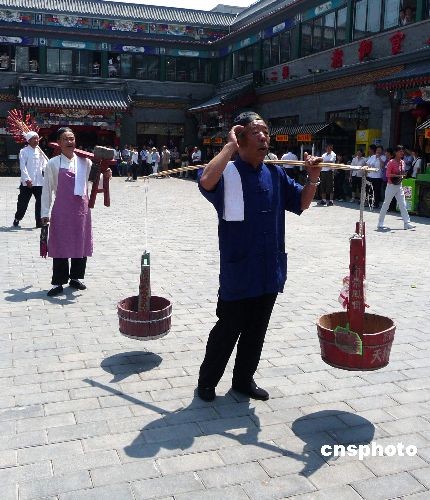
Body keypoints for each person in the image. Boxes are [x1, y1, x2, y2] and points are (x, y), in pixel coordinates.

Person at [196, 111, 322, 402]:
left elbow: (301, 203)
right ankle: (207, 381)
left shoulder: (275, 173)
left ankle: (243, 380)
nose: (264, 136)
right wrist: (229, 146)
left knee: (256, 330)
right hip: (239, 268)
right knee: (228, 328)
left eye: (266, 131)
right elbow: (206, 182)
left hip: (268, 267)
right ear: (240, 138)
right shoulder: (228, 172)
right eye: (256, 132)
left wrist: (313, 178)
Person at [40, 127, 112, 296]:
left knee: (80, 243)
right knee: (60, 244)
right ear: (59, 142)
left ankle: (76, 278)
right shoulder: (53, 163)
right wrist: (44, 213)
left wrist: (106, 175)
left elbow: (96, 182)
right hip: (61, 210)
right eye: (66, 139)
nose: (69, 141)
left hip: (81, 210)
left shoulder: (84, 162)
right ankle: (58, 282)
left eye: (72, 138)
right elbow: (47, 189)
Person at [13, 131, 47, 228]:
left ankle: (39, 222)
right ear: (29, 140)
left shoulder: (40, 151)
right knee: (23, 204)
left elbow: (44, 166)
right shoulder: (23, 151)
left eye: (37, 138)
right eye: (34, 139)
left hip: (39, 182)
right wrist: (27, 179)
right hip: (27, 183)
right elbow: (23, 167)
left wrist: (49, 170)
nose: (37, 140)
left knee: (40, 203)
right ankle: (17, 218)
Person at [377, 145, 414, 230]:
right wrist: (398, 175)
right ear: (396, 152)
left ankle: (407, 223)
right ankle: (380, 222)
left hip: (399, 185)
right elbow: (387, 174)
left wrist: (403, 175)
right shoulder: (391, 162)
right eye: (400, 151)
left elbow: (402, 173)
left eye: (402, 151)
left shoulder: (403, 162)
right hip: (391, 185)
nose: (402, 153)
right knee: (386, 204)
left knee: (403, 204)